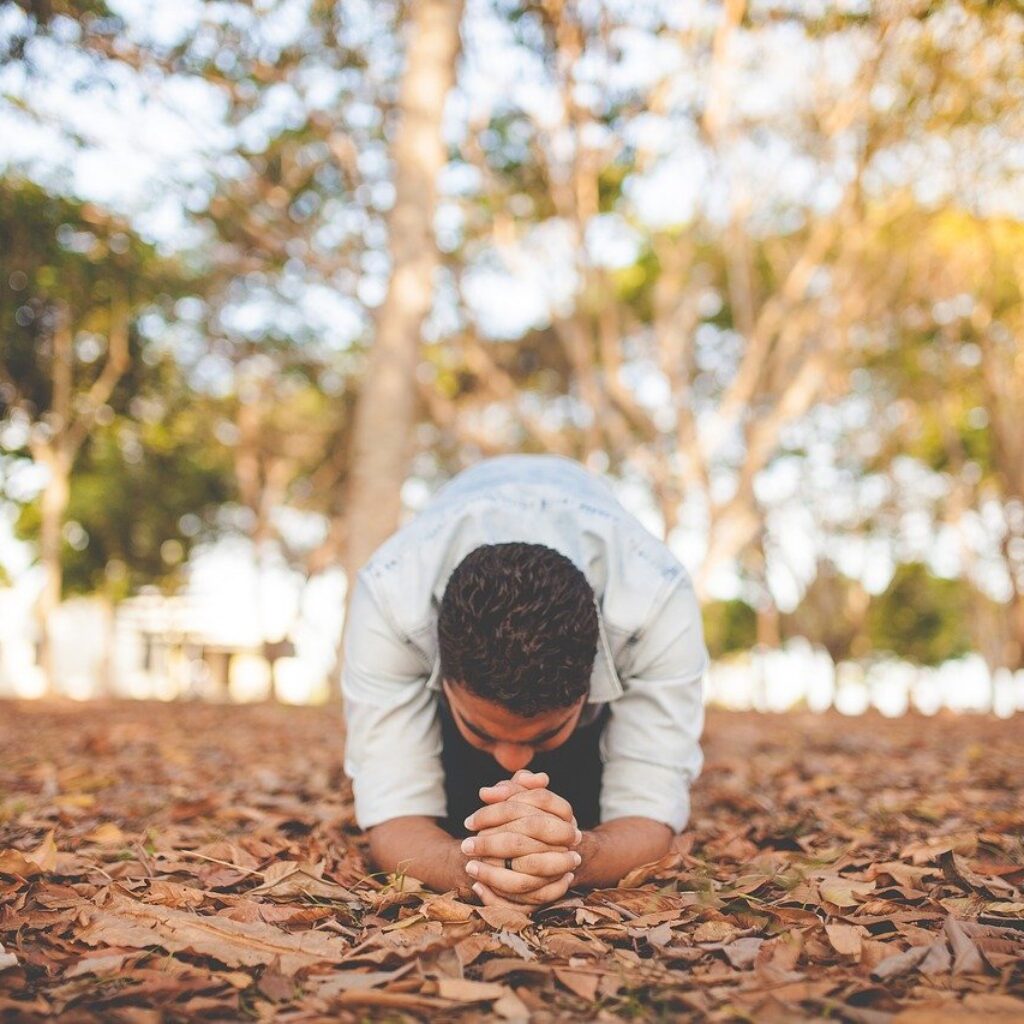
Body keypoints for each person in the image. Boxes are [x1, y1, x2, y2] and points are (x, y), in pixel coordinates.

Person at [341, 454, 706, 910]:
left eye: (548, 730)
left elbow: (650, 810)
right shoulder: (391, 595)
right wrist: (468, 864)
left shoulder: (656, 598)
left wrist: (577, 855)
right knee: (460, 805)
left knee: (584, 800)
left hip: (595, 722)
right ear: (444, 676)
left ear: (588, 685)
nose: (513, 760)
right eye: (482, 729)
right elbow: (394, 812)